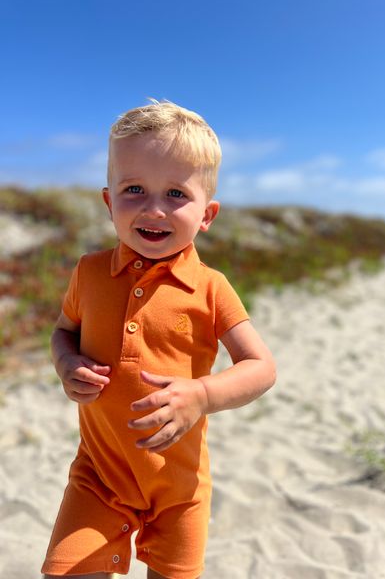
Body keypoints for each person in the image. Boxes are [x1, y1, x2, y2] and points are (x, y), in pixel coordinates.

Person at [41, 99, 276, 579]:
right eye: (134, 189)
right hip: (98, 476)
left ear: (207, 214)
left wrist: (203, 395)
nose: (154, 208)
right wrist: (66, 363)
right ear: (109, 202)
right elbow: (63, 332)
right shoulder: (89, 273)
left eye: (175, 193)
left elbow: (261, 367)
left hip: (178, 487)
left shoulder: (211, 287)